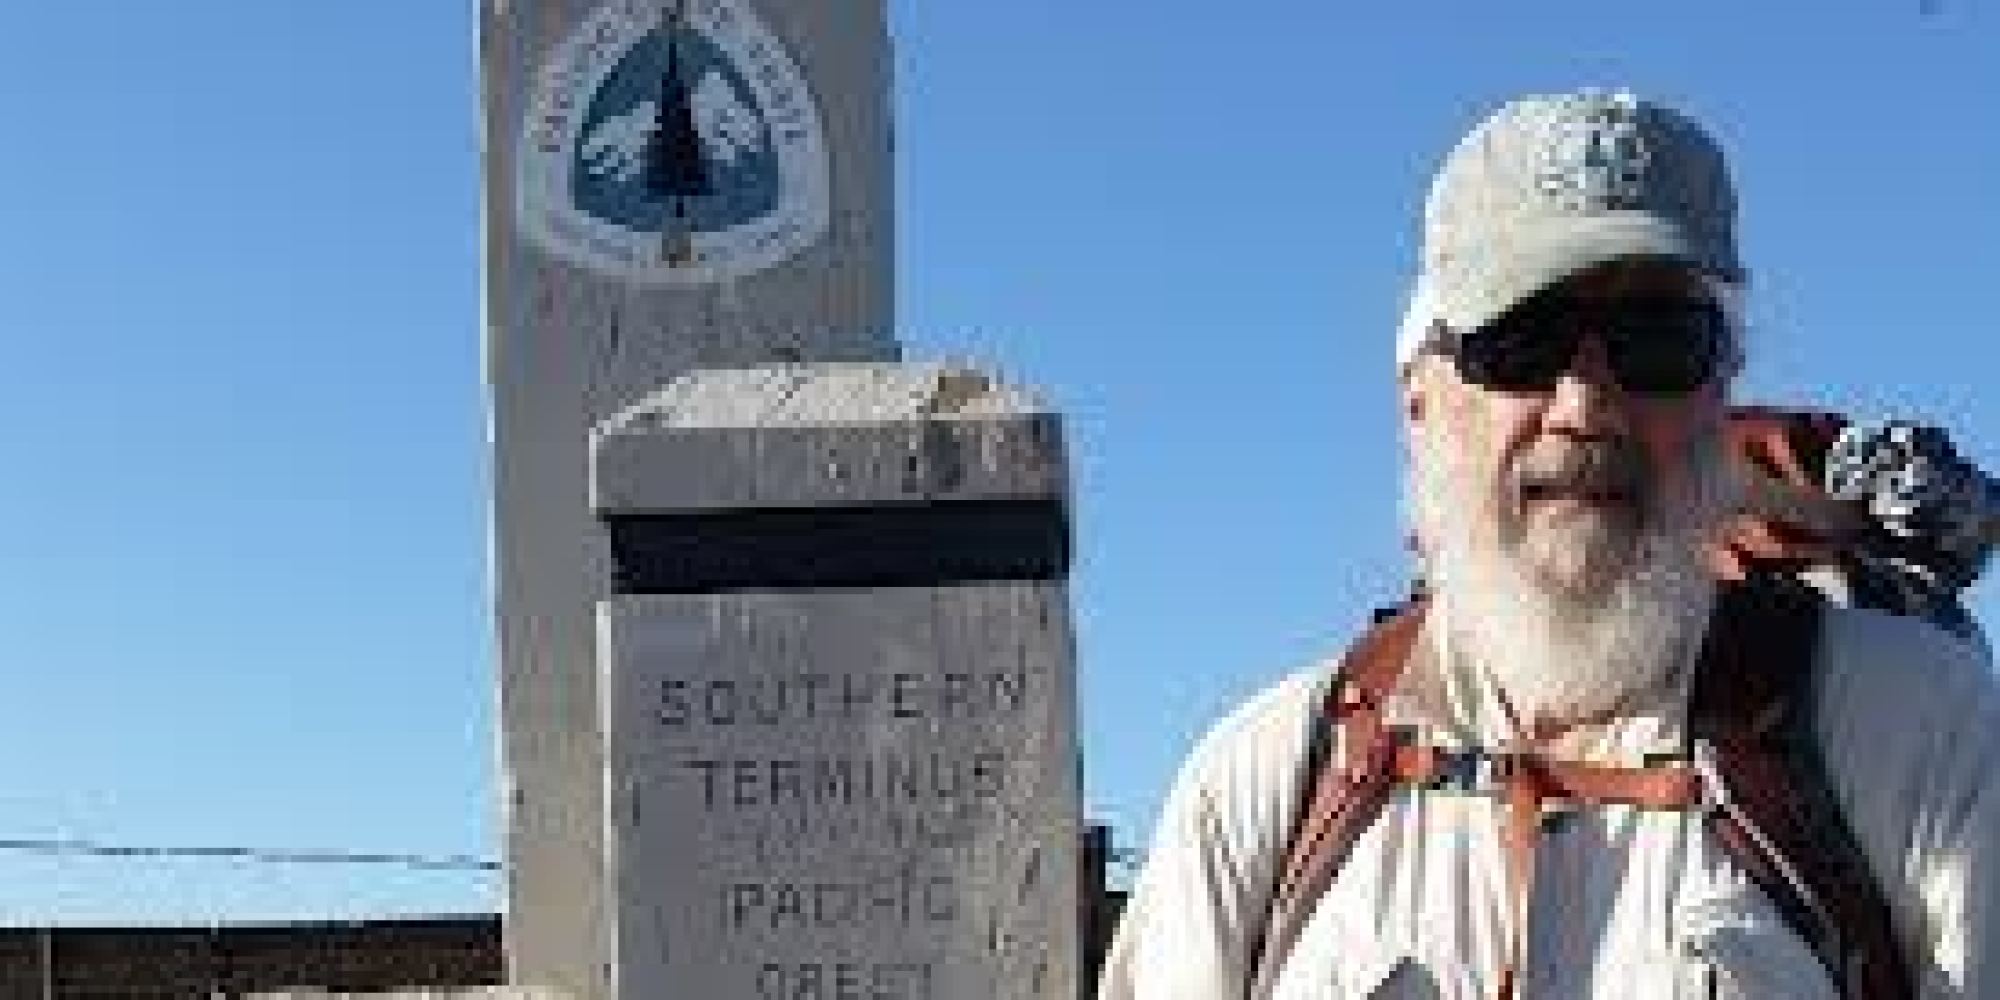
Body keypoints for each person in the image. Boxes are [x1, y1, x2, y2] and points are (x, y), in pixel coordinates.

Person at [1097, 90, 2000, 999]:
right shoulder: (1261, 786)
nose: (1584, 407)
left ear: (1720, 393)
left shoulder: (1925, 737)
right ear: (1420, 405)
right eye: (1520, 342)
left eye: (1656, 340)